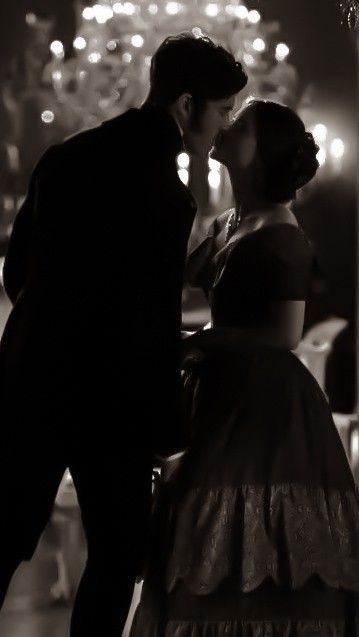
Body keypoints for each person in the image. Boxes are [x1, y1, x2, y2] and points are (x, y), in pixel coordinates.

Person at [0, 34, 247, 636]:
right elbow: (151, 324)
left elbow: (15, 274)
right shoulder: (165, 196)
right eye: (222, 113)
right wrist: (167, 429)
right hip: (110, 408)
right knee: (116, 559)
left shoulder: (66, 156)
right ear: (187, 105)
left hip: (32, 383)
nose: (222, 134)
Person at [131, 100, 359, 635]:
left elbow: (284, 335)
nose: (227, 127)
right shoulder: (235, 220)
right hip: (219, 387)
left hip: (261, 404)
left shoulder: (282, 234)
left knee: (236, 536)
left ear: (262, 155)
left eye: (242, 126)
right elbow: (181, 277)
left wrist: (205, 340)